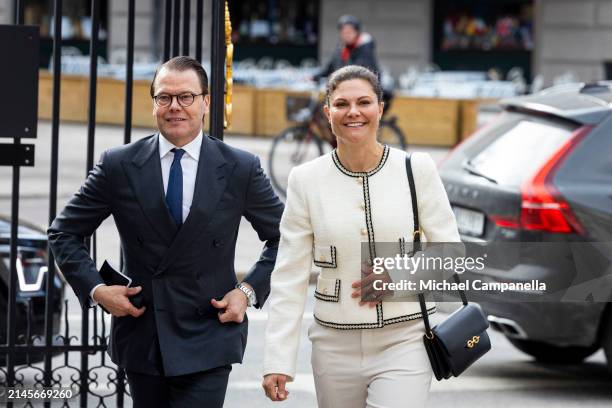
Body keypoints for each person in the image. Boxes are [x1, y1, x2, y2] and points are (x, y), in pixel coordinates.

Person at [48, 56, 284, 408]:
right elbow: (64, 232)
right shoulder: (119, 164)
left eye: (186, 97)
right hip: (144, 332)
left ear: (206, 102)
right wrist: (98, 290)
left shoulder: (240, 167)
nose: (175, 107)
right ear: (154, 103)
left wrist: (247, 291)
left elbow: (286, 237)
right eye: (164, 98)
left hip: (210, 330)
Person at [261, 65, 460, 407]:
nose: (353, 112)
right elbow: (289, 274)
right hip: (333, 345)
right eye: (341, 104)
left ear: (380, 108)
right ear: (327, 113)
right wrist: (278, 360)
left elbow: (452, 254)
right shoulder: (305, 179)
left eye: (364, 102)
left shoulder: (417, 169)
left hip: (405, 339)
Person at [314, 15, 380, 81]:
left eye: (349, 32)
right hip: (342, 88)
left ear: (357, 32)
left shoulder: (365, 49)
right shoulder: (340, 50)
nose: (347, 35)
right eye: (343, 32)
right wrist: (314, 77)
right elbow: (329, 69)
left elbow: (369, 74)